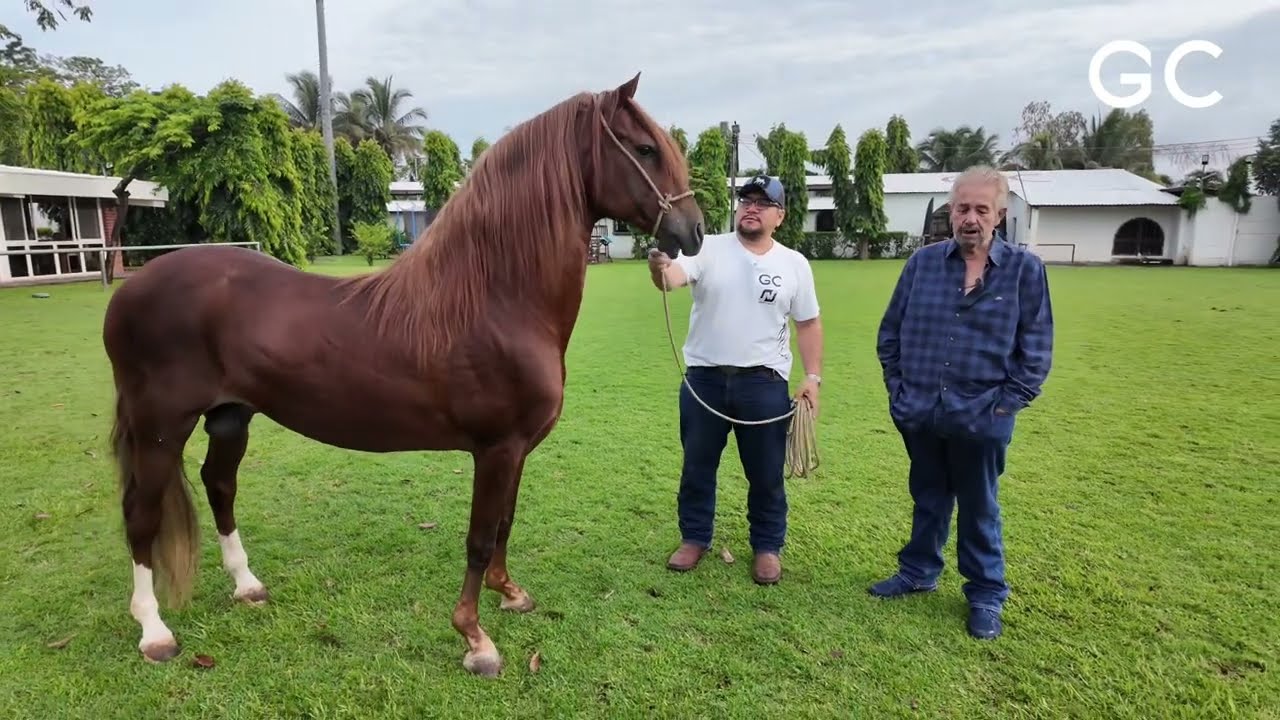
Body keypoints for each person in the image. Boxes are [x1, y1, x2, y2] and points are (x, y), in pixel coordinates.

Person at [870, 165, 1053, 639]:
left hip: (983, 417)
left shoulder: (1024, 271)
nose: (970, 218)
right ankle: (918, 572)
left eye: (981, 209)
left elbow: (1035, 349)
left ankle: (986, 595)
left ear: (1000, 214)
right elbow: (890, 333)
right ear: (950, 212)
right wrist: (900, 390)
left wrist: (1005, 406)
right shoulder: (923, 264)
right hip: (922, 411)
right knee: (928, 495)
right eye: (962, 208)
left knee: (979, 506)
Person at [646, 174, 823, 585]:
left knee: (765, 473)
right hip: (704, 380)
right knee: (697, 467)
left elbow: (809, 323)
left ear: (780, 215)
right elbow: (672, 279)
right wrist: (660, 267)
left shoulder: (794, 263)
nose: (751, 207)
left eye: (763, 202)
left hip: (764, 384)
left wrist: (812, 376)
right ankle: (694, 538)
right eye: (746, 200)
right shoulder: (709, 248)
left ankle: (766, 547)